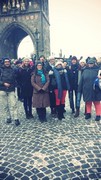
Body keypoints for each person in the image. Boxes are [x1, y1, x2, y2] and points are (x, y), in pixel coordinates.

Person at [0, 58, 20, 126]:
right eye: (5, 62)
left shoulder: (13, 69)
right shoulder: (0, 69)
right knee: (5, 105)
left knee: (14, 104)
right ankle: (8, 117)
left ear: (10, 62)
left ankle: (16, 118)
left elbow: (16, 78)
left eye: (8, 62)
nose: (7, 63)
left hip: (11, 89)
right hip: (2, 89)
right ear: (4, 63)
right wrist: (3, 83)